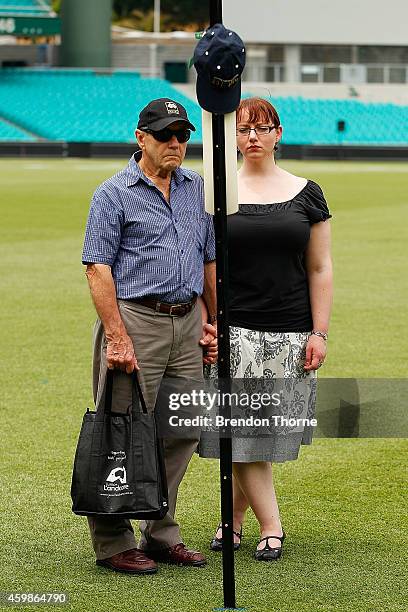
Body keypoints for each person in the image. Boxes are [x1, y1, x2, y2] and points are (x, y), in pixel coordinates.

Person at [81, 97, 218, 575]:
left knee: (182, 430)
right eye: (165, 136)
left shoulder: (196, 187)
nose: (176, 144)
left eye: (182, 136)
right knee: (118, 429)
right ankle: (113, 541)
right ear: (141, 138)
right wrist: (117, 336)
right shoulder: (113, 192)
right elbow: (97, 268)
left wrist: (214, 320)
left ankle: (160, 532)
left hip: (188, 321)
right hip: (135, 319)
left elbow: (208, 260)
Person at [199, 97, 333, 561]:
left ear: (278, 133)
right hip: (234, 331)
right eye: (242, 129)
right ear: (231, 138)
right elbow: (202, 264)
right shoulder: (216, 191)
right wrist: (209, 320)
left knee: (262, 433)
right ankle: (271, 526)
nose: (252, 137)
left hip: (290, 331)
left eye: (261, 128)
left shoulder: (307, 192)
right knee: (242, 431)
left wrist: (320, 332)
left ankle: (231, 521)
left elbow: (319, 267)